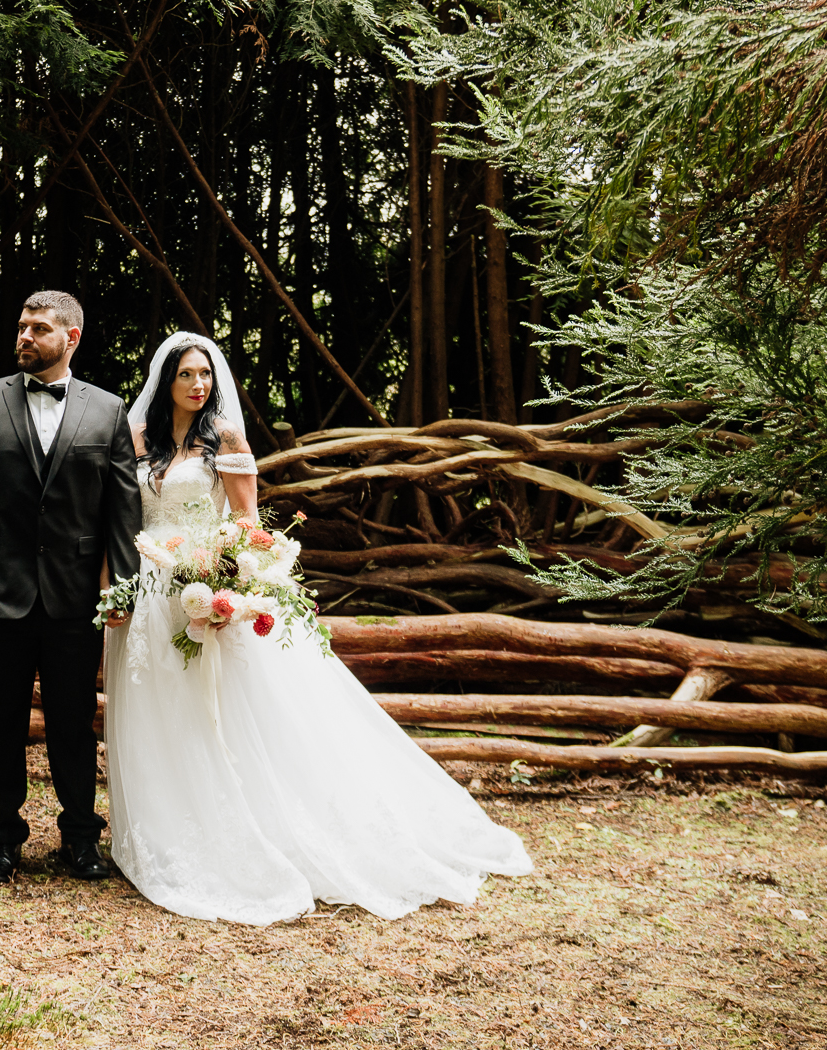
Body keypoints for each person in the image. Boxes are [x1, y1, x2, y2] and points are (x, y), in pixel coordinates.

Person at [102, 332, 534, 924]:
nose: (199, 385)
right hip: (150, 594)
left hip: (206, 588)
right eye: (187, 376)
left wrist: (225, 574)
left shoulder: (225, 436)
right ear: (164, 380)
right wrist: (118, 588)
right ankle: (164, 826)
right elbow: (118, 518)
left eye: (205, 374)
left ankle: (242, 825)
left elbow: (249, 522)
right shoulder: (137, 440)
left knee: (221, 716)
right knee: (160, 712)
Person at [0, 290, 143, 885]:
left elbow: (123, 512)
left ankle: (80, 838)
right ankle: (2, 841)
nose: (23, 336)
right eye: (21, 325)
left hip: (75, 602)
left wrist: (120, 589)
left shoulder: (107, 410)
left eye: (38, 328)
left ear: (70, 338)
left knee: (75, 724)